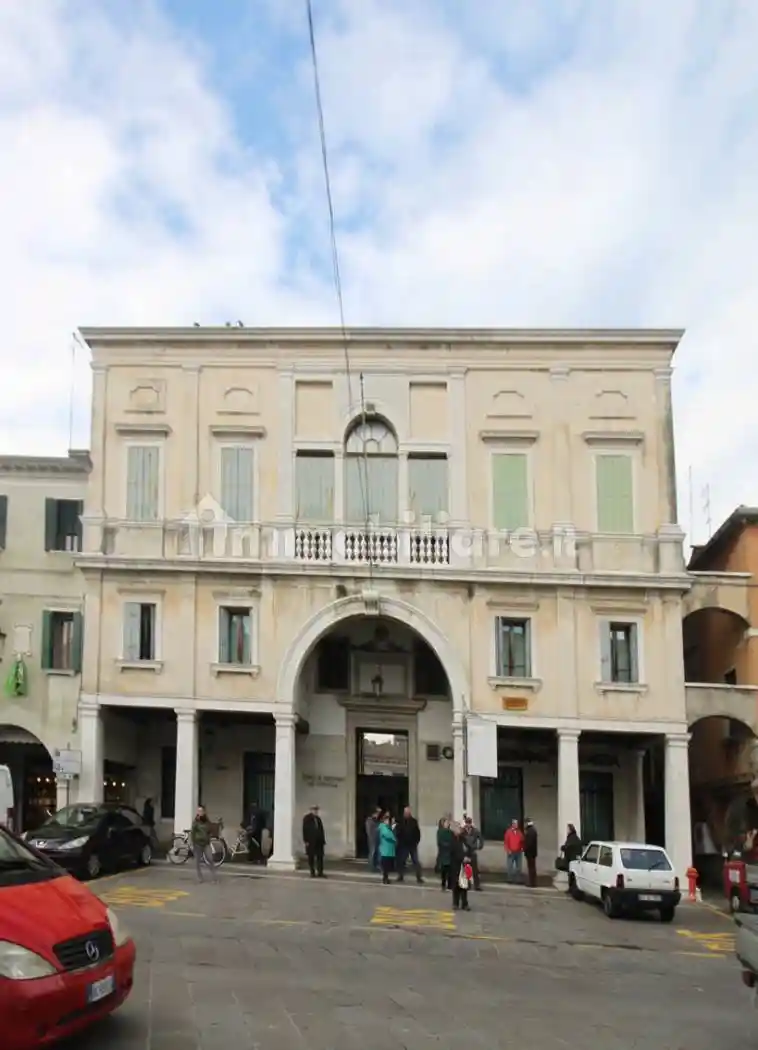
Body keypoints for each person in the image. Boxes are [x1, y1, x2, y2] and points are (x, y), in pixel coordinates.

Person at [190, 805, 219, 884]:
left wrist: (209, 835)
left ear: (204, 812)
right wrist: (192, 843)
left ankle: (214, 877)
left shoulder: (207, 821)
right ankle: (199, 877)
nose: (199, 813)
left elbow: (210, 830)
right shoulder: (195, 821)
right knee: (197, 861)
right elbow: (192, 833)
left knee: (210, 859)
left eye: (201, 811)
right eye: (198, 811)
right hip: (197, 844)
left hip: (206, 843)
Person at [395, 805, 424, 883]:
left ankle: (419, 877)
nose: (407, 813)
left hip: (412, 845)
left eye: (408, 812)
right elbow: (397, 832)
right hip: (404, 845)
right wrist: (400, 841)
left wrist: (416, 841)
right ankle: (400, 876)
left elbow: (417, 833)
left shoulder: (414, 821)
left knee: (416, 861)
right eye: (405, 812)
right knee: (401, 861)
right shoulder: (400, 821)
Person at [449, 823, 472, 911]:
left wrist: (468, 857)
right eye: (458, 828)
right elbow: (453, 852)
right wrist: (463, 858)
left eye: (460, 828)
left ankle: (465, 903)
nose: (460, 830)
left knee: (464, 885)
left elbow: (469, 849)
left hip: (465, 866)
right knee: (456, 885)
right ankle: (455, 903)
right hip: (456, 865)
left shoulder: (464, 839)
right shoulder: (452, 840)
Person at [302, 805, 326, 877]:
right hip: (311, 841)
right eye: (314, 810)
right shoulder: (307, 818)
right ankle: (312, 872)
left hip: (319, 841)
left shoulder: (318, 819)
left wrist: (323, 840)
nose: (316, 811)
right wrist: (306, 840)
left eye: (316, 810)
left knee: (320, 857)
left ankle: (320, 872)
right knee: (311, 857)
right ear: (311, 810)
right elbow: (304, 830)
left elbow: (321, 830)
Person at [462, 815, 483, 890]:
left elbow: (480, 838)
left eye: (469, 823)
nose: (468, 824)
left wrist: (479, 846)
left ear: (471, 823)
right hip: (466, 852)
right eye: (467, 823)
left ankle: (477, 885)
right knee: (467, 869)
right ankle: (467, 884)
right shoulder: (463, 831)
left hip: (472, 851)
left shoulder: (475, 830)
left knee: (475, 869)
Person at [378, 813, 397, 884]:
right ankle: (385, 879)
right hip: (386, 850)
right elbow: (388, 835)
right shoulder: (383, 827)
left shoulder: (386, 827)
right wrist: (394, 838)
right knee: (385, 866)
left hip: (388, 849)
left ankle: (386, 878)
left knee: (387, 866)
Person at [436, 815, 454, 891]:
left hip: (450, 853)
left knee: (450, 870)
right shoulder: (440, 832)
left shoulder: (450, 832)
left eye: (448, 823)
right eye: (446, 822)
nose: (447, 824)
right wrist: (447, 845)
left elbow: (453, 841)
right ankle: (443, 885)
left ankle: (450, 885)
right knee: (444, 870)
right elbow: (440, 842)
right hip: (443, 852)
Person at [524, 818, 538, 888]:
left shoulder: (530, 831)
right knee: (532, 867)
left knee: (531, 868)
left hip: (530, 853)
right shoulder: (532, 830)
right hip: (532, 852)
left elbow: (529, 843)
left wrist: (525, 848)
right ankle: (532, 882)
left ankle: (532, 882)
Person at [365, 807, 381, 871]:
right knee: (372, 852)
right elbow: (369, 831)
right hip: (372, 839)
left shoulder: (375, 820)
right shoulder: (369, 821)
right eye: (377, 813)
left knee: (376, 852)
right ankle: (371, 866)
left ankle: (375, 865)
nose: (378, 814)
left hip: (376, 839)